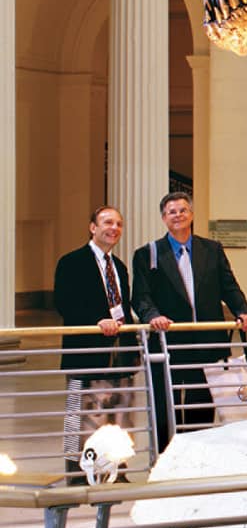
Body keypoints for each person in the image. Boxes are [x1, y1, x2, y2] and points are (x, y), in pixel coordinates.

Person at [131, 191, 247, 448]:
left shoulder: (211, 249)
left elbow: (228, 286)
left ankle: (197, 455)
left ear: (191, 214)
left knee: (202, 403)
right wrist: (153, 316)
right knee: (167, 405)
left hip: (208, 344)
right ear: (164, 218)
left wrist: (243, 310)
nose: (177, 215)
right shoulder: (147, 254)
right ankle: (167, 458)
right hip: (169, 344)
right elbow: (141, 297)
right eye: (171, 212)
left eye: (182, 210)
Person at [53, 205, 136, 483]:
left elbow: (124, 307)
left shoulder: (120, 267)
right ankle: (78, 476)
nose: (114, 228)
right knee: (82, 420)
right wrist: (96, 320)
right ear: (92, 227)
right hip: (86, 355)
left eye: (119, 224)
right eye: (107, 222)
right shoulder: (71, 262)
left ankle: (116, 473)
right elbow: (64, 302)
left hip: (120, 356)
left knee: (120, 419)